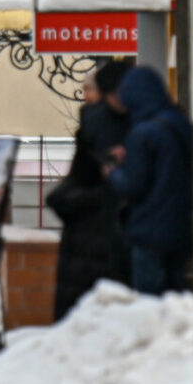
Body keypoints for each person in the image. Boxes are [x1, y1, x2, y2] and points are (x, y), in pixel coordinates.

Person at [46, 64, 132, 319]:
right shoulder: (99, 127)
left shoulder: (98, 128)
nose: (85, 95)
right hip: (96, 236)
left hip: (91, 237)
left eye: (90, 89)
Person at [105, 66, 193, 295]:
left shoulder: (142, 133)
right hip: (180, 230)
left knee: (149, 302)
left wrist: (113, 172)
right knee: (176, 300)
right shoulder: (183, 125)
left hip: (148, 231)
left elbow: (133, 186)